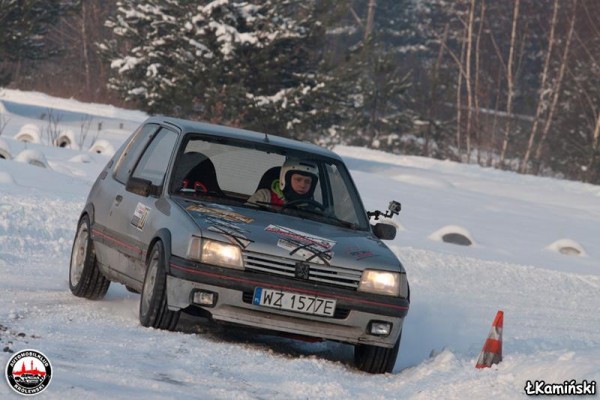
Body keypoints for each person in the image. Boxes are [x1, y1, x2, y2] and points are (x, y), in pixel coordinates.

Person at [247, 157, 319, 206]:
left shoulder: (313, 208)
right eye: (298, 179)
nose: (303, 185)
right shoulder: (264, 196)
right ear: (286, 179)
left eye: (307, 181)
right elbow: (246, 218)